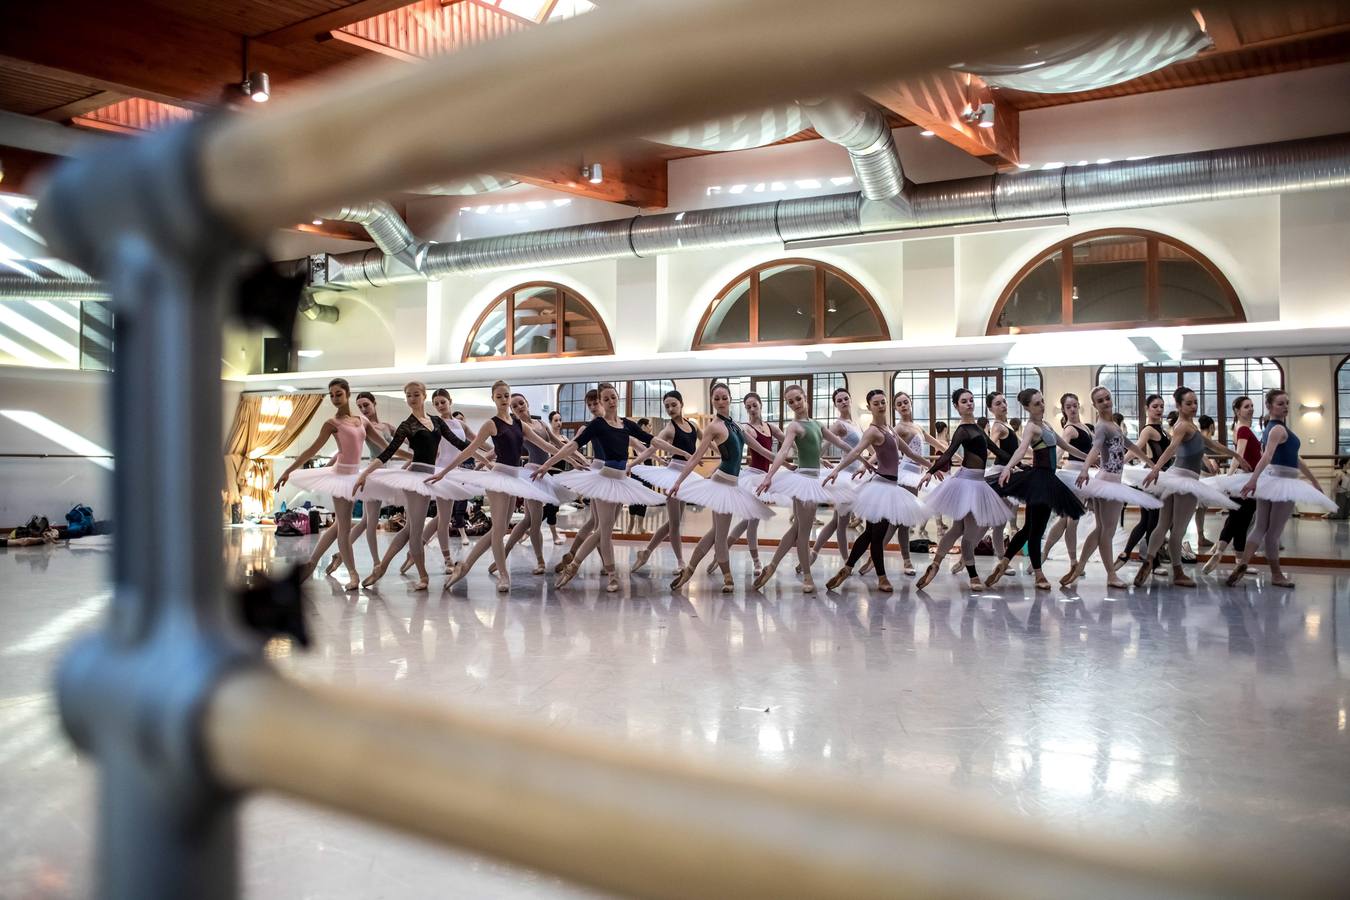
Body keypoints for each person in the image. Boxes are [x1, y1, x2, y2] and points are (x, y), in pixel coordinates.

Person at [430, 381, 565, 593]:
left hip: (514, 478)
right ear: (493, 399)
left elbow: (546, 445)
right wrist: (444, 471)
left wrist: (576, 460)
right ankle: (504, 575)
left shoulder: (520, 425)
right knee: (499, 529)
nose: (504, 399)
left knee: (498, 531)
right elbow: (468, 449)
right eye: (500, 396)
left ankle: (464, 566)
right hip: (499, 478)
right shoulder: (491, 424)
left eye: (506, 395)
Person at [533, 383, 668, 593]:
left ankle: (575, 560)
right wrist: (549, 464)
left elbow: (637, 440)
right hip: (600, 474)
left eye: (611, 398)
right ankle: (600, 569)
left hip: (618, 477)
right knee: (602, 529)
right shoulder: (593, 425)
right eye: (601, 400)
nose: (607, 403)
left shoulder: (623, 424)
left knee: (599, 527)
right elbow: (572, 446)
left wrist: (663, 457)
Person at [274, 377, 397, 590]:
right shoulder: (332, 423)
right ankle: (353, 574)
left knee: (342, 526)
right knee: (343, 528)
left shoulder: (362, 421)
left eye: (338, 394)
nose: (334, 398)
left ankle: (314, 563)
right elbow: (311, 450)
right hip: (339, 477)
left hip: (355, 475)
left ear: (347, 394)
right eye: (331, 395)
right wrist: (288, 470)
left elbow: (386, 446)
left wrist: (413, 457)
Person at [353, 381, 473, 591]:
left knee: (410, 529)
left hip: (429, 476)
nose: (412, 398)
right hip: (415, 477)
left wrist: (487, 458)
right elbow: (387, 452)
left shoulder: (436, 421)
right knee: (416, 531)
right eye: (408, 395)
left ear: (424, 395)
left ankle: (382, 567)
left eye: (416, 394)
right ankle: (423, 576)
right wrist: (365, 473)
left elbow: (459, 443)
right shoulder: (407, 424)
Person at [668, 383, 774, 592]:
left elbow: (760, 448)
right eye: (716, 399)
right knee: (720, 535)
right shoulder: (713, 426)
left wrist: (786, 463)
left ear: (730, 399)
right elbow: (696, 457)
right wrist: (679, 481)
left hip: (732, 484)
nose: (720, 402)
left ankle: (689, 569)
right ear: (713, 401)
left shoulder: (736, 425)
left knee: (716, 532)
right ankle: (728, 577)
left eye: (724, 397)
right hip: (721, 484)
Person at [1136, 387, 1246, 588]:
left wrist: (1236, 455)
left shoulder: (1191, 427)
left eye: (1195, 402)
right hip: (1185, 480)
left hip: (1174, 479)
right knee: (1178, 530)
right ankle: (1177, 572)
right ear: (1178, 406)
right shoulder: (1183, 427)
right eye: (1189, 403)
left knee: (1163, 525)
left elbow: (1212, 445)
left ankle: (1149, 560)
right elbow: (1171, 449)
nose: (1194, 406)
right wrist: (1156, 469)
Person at [751, 384, 857, 594]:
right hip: (802, 480)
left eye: (798, 399)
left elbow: (842, 444)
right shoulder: (794, 426)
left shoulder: (817, 424)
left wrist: (864, 459)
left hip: (814, 479)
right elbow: (782, 451)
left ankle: (771, 566)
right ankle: (807, 577)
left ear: (805, 398)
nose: (795, 404)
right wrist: (770, 476)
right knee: (803, 532)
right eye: (790, 402)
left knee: (797, 529)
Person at [1226, 389, 1337, 587]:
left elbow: (1294, 458)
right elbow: (1267, 457)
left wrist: (1314, 480)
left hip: (1271, 481)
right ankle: (1276, 575)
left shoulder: (1270, 428)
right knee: (1273, 533)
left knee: (1261, 527)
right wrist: (1253, 480)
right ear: (1269, 406)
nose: (1285, 407)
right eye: (1280, 404)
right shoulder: (1278, 429)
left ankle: (1242, 563)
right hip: (1283, 481)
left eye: (1286, 403)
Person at [823, 390, 930, 592]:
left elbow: (908, 452)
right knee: (877, 536)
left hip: (891, 486)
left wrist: (932, 467)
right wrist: (836, 469)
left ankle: (847, 568)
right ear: (870, 406)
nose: (881, 406)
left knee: (870, 534)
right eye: (876, 403)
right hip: (880, 487)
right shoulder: (872, 431)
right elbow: (855, 452)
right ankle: (882, 577)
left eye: (883, 402)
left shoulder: (889, 429)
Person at [983, 389, 1088, 591]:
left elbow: (1065, 445)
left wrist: (1090, 458)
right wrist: (1007, 468)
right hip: (1039, 480)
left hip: (1048, 479)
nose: (1042, 405)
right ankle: (1039, 574)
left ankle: (1004, 562)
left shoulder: (1047, 425)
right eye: (1037, 403)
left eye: (1042, 401)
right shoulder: (1031, 427)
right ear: (1027, 408)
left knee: (1028, 528)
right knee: (1036, 530)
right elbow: (1021, 450)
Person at [914, 388, 1013, 592]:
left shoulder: (977, 428)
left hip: (977, 482)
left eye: (971, 400)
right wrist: (930, 472)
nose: (969, 404)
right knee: (969, 534)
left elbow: (997, 451)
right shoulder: (962, 430)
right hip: (967, 483)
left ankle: (935, 564)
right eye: (964, 401)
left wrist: (1016, 463)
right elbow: (948, 454)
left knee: (957, 529)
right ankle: (973, 575)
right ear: (957, 407)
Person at [1064, 386, 1162, 589]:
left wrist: (1152, 463)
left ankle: (1080, 565)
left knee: (1101, 529)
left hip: (1109, 480)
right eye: (1100, 401)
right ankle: (1110, 574)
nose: (1106, 402)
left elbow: (1132, 446)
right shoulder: (1102, 426)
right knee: (1107, 531)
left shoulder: (1113, 424)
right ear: (1094, 405)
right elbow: (1096, 449)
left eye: (1107, 398)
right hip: (1108, 482)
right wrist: (1084, 469)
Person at [492, 394, 575, 576]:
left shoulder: (542, 424)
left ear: (527, 403)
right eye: (514, 406)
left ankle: (502, 555)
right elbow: (499, 448)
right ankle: (540, 561)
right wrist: (483, 458)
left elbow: (557, 444)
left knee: (528, 520)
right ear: (512, 411)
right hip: (532, 475)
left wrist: (577, 460)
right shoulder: (520, 428)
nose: (519, 407)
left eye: (521, 403)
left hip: (544, 473)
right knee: (535, 522)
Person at [325, 390, 399, 576]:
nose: (363, 409)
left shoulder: (387, 427)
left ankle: (341, 554)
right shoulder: (363, 426)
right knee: (370, 522)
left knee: (366, 521)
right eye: (359, 407)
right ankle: (376, 562)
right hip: (373, 474)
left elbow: (405, 442)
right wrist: (329, 464)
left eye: (366, 405)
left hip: (388, 474)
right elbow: (346, 447)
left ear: (375, 404)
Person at [716, 391, 786, 577]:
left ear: (760, 405)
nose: (752, 409)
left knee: (749, 521)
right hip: (753, 477)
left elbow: (789, 443)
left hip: (766, 475)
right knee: (753, 521)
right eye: (748, 407)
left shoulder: (771, 427)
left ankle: (723, 549)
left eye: (754, 405)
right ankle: (755, 561)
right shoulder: (745, 428)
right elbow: (755, 451)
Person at [630, 391, 701, 572]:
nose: (670, 409)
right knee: (675, 523)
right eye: (667, 406)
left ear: (681, 403)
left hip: (686, 476)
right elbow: (649, 449)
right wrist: (633, 464)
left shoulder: (692, 426)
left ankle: (645, 552)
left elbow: (708, 442)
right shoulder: (669, 429)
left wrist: (724, 454)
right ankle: (680, 562)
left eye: (673, 405)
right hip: (672, 476)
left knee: (673, 523)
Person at [1202, 396, 1262, 573]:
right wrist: (1228, 478)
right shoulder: (1243, 430)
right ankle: (1238, 561)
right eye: (1246, 407)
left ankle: (1221, 551)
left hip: (1246, 478)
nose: (1250, 409)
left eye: (1251, 406)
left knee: (1237, 519)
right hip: (1245, 480)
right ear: (1237, 411)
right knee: (1242, 521)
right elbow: (1239, 454)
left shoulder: (1241, 428)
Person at [810, 388, 864, 568]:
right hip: (846, 477)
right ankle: (846, 561)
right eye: (839, 400)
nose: (843, 402)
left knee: (836, 521)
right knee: (842, 522)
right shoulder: (839, 425)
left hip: (858, 474)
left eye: (845, 398)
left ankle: (814, 553)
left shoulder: (856, 424)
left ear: (850, 399)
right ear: (835, 405)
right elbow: (822, 444)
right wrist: (818, 457)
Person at [1041, 392, 1092, 566]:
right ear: (1063, 410)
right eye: (1068, 407)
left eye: (1074, 405)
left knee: (1065, 518)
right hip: (1073, 474)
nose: (1072, 409)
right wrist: (1050, 468)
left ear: (1079, 406)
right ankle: (1073, 561)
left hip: (1082, 473)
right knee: (1073, 518)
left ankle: (1045, 554)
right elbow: (1060, 449)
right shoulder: (1069, 428)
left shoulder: (1083, 426)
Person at [1119, 394, 1169, 569]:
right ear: (1147, 408)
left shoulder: (1162, 429)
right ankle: (1152, 563)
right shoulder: (1148, 429)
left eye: (1161, 406)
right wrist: (1120, 463)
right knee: (1152, 522)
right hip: (1152, 478)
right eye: (1155, 406)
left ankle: (1126, 554)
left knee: (1148, 521)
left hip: (1160, 477)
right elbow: (1136, 448)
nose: (1159, 409)